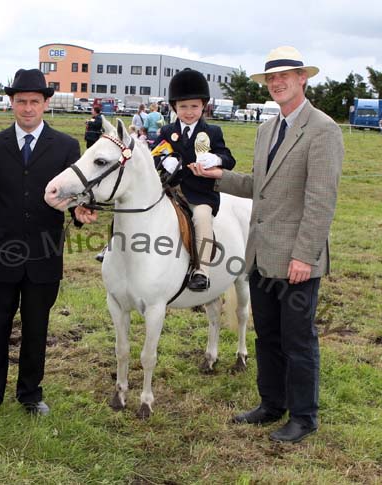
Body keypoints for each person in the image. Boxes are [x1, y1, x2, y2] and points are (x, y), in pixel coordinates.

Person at [190, 46, 343, 443]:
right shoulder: (267, 129)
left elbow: (320, 200)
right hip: (259, 255)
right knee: (267, 336)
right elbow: (260, 185)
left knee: (298, 339)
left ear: (302, 80)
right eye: (271, 78)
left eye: (285, 77)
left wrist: (304, 256)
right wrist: (217, 176)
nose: (277, 83)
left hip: (296, 259)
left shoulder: (323, 130)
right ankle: (271, 404)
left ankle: (304, 417)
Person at [0, 68, 92, 420]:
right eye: (21, 102)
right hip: (3, 253)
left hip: (43, 253)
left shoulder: (67, 146)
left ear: (46, 104)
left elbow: (74, 197)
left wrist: (79, 213)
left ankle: (30, 393)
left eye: (34, 102)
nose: (27, 108)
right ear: (11, 103)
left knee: (37, 328)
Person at [156, 68, 236, 291]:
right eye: (183, 107)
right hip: (170, 190)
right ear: (174, 108)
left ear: (203, 106)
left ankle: (202, 270)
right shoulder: (166, 131)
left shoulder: (213, 132)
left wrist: (215, 158)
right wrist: (165, 161)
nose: (189, 112)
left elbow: (229, 159)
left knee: (201, 217)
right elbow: (154, 155)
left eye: (194, 106)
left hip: (200, 193)